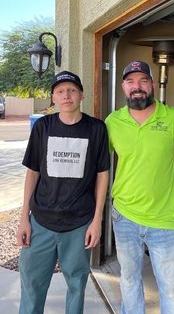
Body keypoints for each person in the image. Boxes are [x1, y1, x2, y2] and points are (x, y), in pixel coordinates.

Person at [16, 70, 110, 314]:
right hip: (41, 221)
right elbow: (33, 172)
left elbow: (102, 174)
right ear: (53, 98)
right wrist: (24, 218)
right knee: (32, 285)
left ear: (81, 95)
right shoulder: (43, 126)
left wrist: (96, 220)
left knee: (77, 283)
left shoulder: (96, 128)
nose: (66, 95)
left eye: (71, 90)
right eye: (60, 91)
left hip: (79, 223)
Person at [105, 60, 174, 314]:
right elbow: (99, 165)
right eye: (131, 81)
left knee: (172, 286)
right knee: (130, 279)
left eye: (143, 81)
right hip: (124, 215)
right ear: (123, 86)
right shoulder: (113, 122)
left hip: (162, 218)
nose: (137, 87)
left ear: (153, 84)